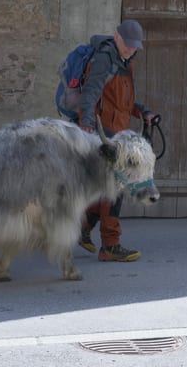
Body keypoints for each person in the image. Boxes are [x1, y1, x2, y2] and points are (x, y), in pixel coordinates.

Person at [77, 19, 154, 262]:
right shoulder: (105, 59)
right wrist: (87, 125)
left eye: (135, 46)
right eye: (128, 44)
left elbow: (124, 102)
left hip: (119, 132)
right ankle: (110, 245)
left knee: (106, 188)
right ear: (117, 37)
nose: (131, 49)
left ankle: (82, 230)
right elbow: (90, 92)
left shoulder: (124, 62)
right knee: (116, 189)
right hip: (104, 134)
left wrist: (143, 112)